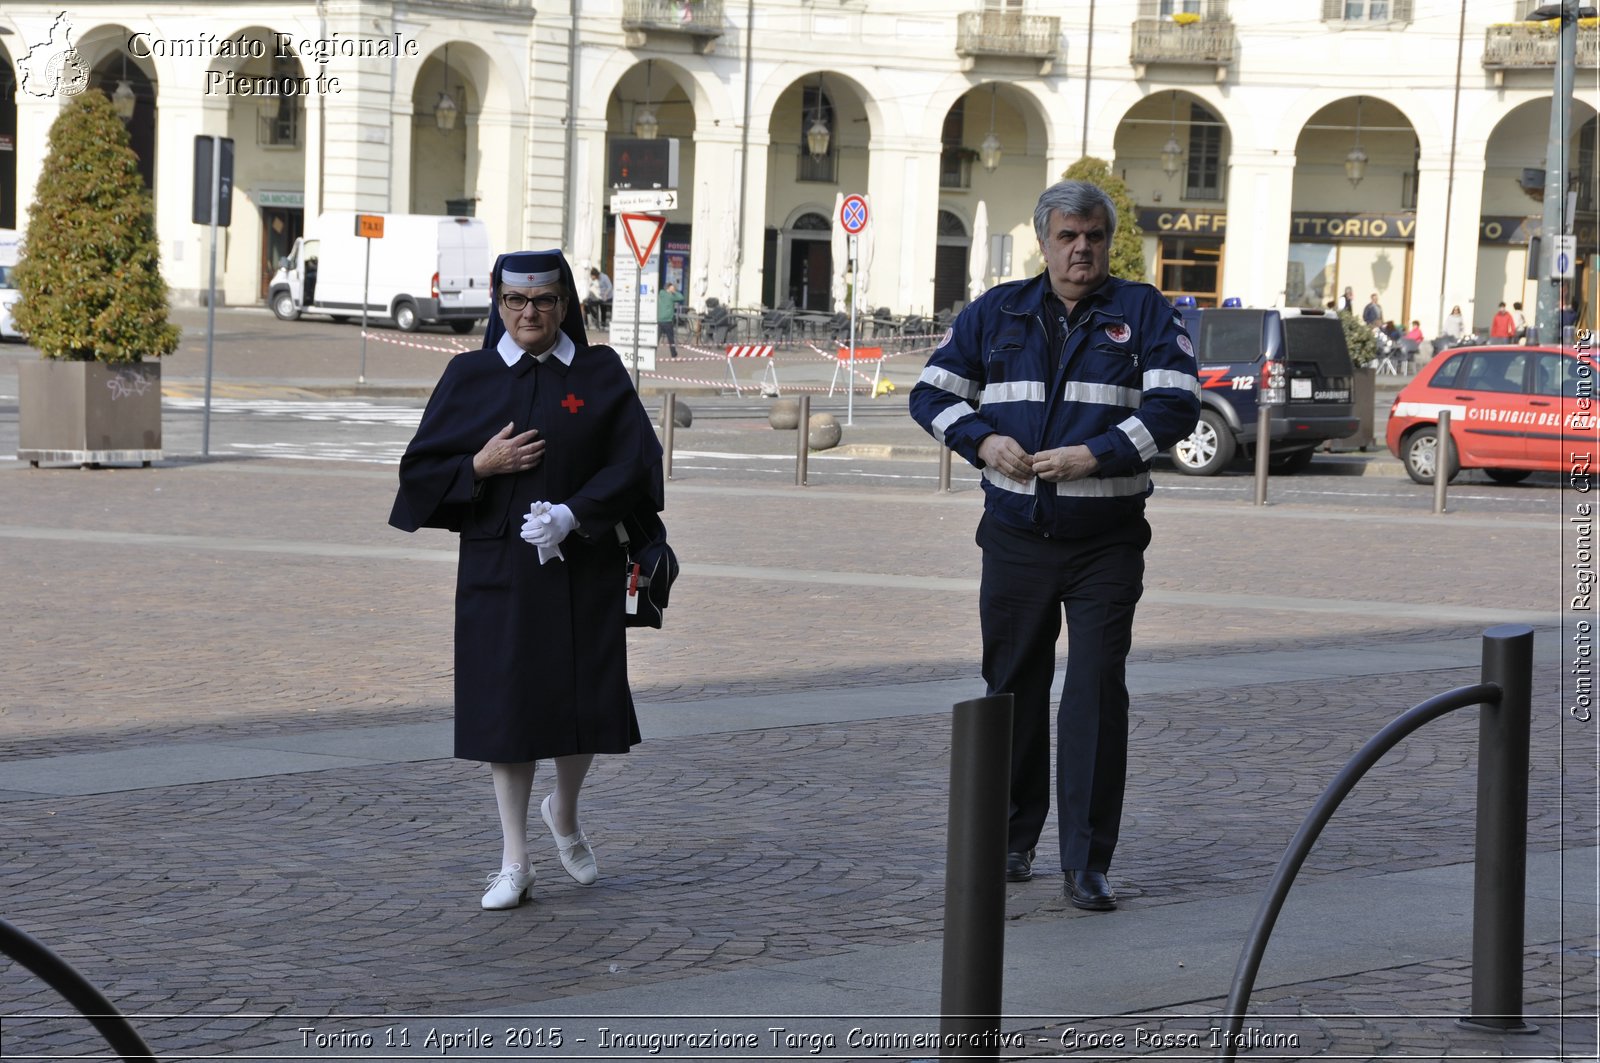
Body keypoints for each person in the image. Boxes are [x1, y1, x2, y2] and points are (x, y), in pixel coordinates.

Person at [908, 180, 1200, 912]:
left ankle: (1086, 860)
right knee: (1011, 689)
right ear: (1043, 240)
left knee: (1096, 691)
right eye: (1068, 236)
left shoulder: (1145, 311)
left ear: (1108, 241)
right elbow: (929, 393)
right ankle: (1011, 840)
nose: (1081, 249)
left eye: (1093, 236)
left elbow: (1176, 404)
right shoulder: (995, 311)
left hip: (1106, 541)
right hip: (1015, 538)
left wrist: (1095, 455)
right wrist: (983, 440)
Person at [389, 249, 664, 910]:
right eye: (515, 302)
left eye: (542, 301)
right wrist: (479, 466)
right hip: (500, 571)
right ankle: (514, 860)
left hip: (584, 564)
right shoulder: (471, 375)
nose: (528, 313)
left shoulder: (598, 374)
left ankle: (562, 810)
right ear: (499, 304)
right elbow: (417, 476)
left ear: (565, 303)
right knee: (506, 712)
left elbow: (637, 463)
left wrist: (575, 514)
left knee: (584, 704)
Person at [657, 281, 685, 358]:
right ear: (669, 288)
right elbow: (681, 297)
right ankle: (674, 354)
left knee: (656, 339)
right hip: (667, 321)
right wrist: (674, 292)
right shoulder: (671, 296)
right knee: (671, 339)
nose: (673, 288)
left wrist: (672, 291)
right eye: (672, 287)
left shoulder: (661, 293)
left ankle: (652, 353)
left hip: (659, 320)